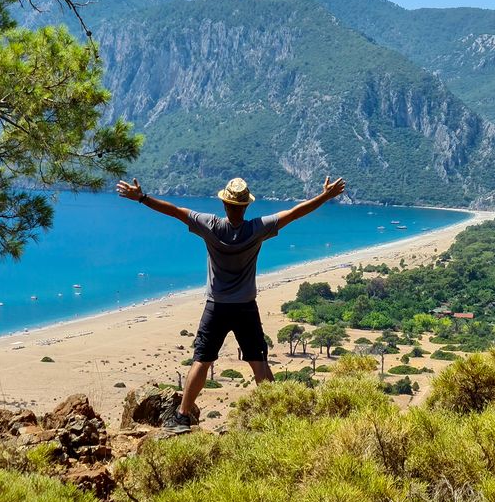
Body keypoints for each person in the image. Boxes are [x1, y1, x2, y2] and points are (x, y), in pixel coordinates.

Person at [116, 173, 347, 430]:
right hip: (246, 307)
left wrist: (142, 198)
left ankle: (182, 416)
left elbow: (174, 211)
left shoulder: (210, 225)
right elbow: (295, 213)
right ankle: (276, 416)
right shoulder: (257, 228)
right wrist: (326, 196)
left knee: (202, 360)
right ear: (246, 205)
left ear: (225, 204)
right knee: (258, 362)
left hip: (216, 306)